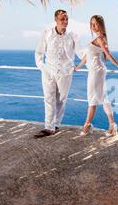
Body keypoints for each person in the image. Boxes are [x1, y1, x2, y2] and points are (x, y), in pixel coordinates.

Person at [74, 15, 118, 137]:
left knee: (92, 99)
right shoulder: (97, 38)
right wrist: (77, 68)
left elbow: (108, 55)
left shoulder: (100, 39)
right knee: (103, 98)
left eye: (95, 24)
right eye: (91, 24)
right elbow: (86, 57)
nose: (93, 26)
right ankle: (112, 125)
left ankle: (87, 125)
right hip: (95, 70)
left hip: (96, 71)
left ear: (100, 24)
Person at [34, 9, 85, 138]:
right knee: (48, 98)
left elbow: (81, 53)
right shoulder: (47, 34)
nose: (65, 22)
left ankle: (55, 125)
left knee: (61, 99)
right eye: (63, 19)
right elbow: (39, 52)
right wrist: (42, 67)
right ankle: (48, 127)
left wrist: (89, 62)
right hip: (48, 71)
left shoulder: (73, 36)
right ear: (56, 19)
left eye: (67, 19)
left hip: (65, 72)